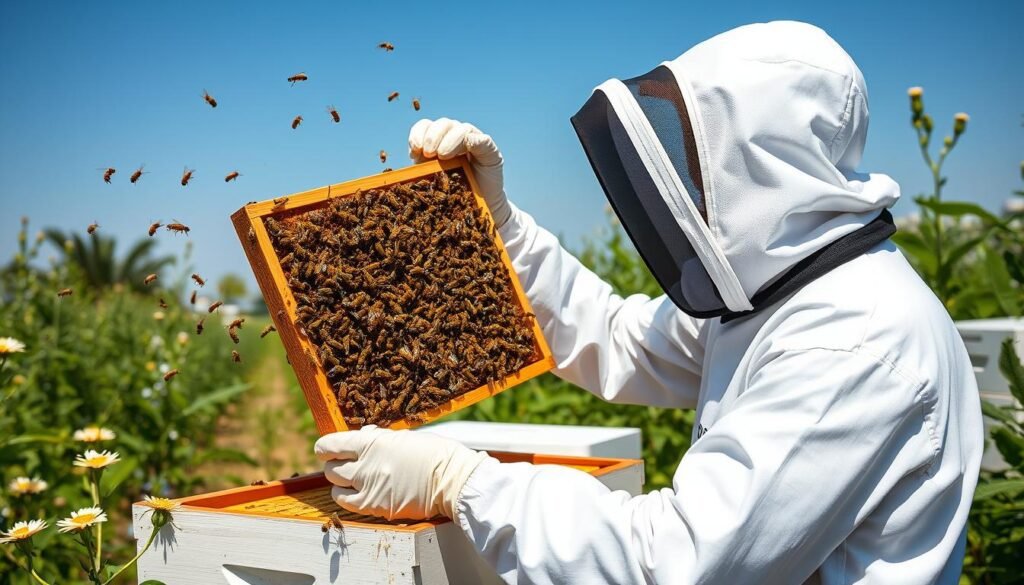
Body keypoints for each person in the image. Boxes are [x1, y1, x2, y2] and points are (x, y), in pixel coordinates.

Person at [314, 21, 983, 584]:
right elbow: (620, 338)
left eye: (699, 155)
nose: (685, 179)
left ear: (762, 160)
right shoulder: (787, 290)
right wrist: (502, 229)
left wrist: (461, 481)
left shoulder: (853, 339)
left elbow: (678, 563)